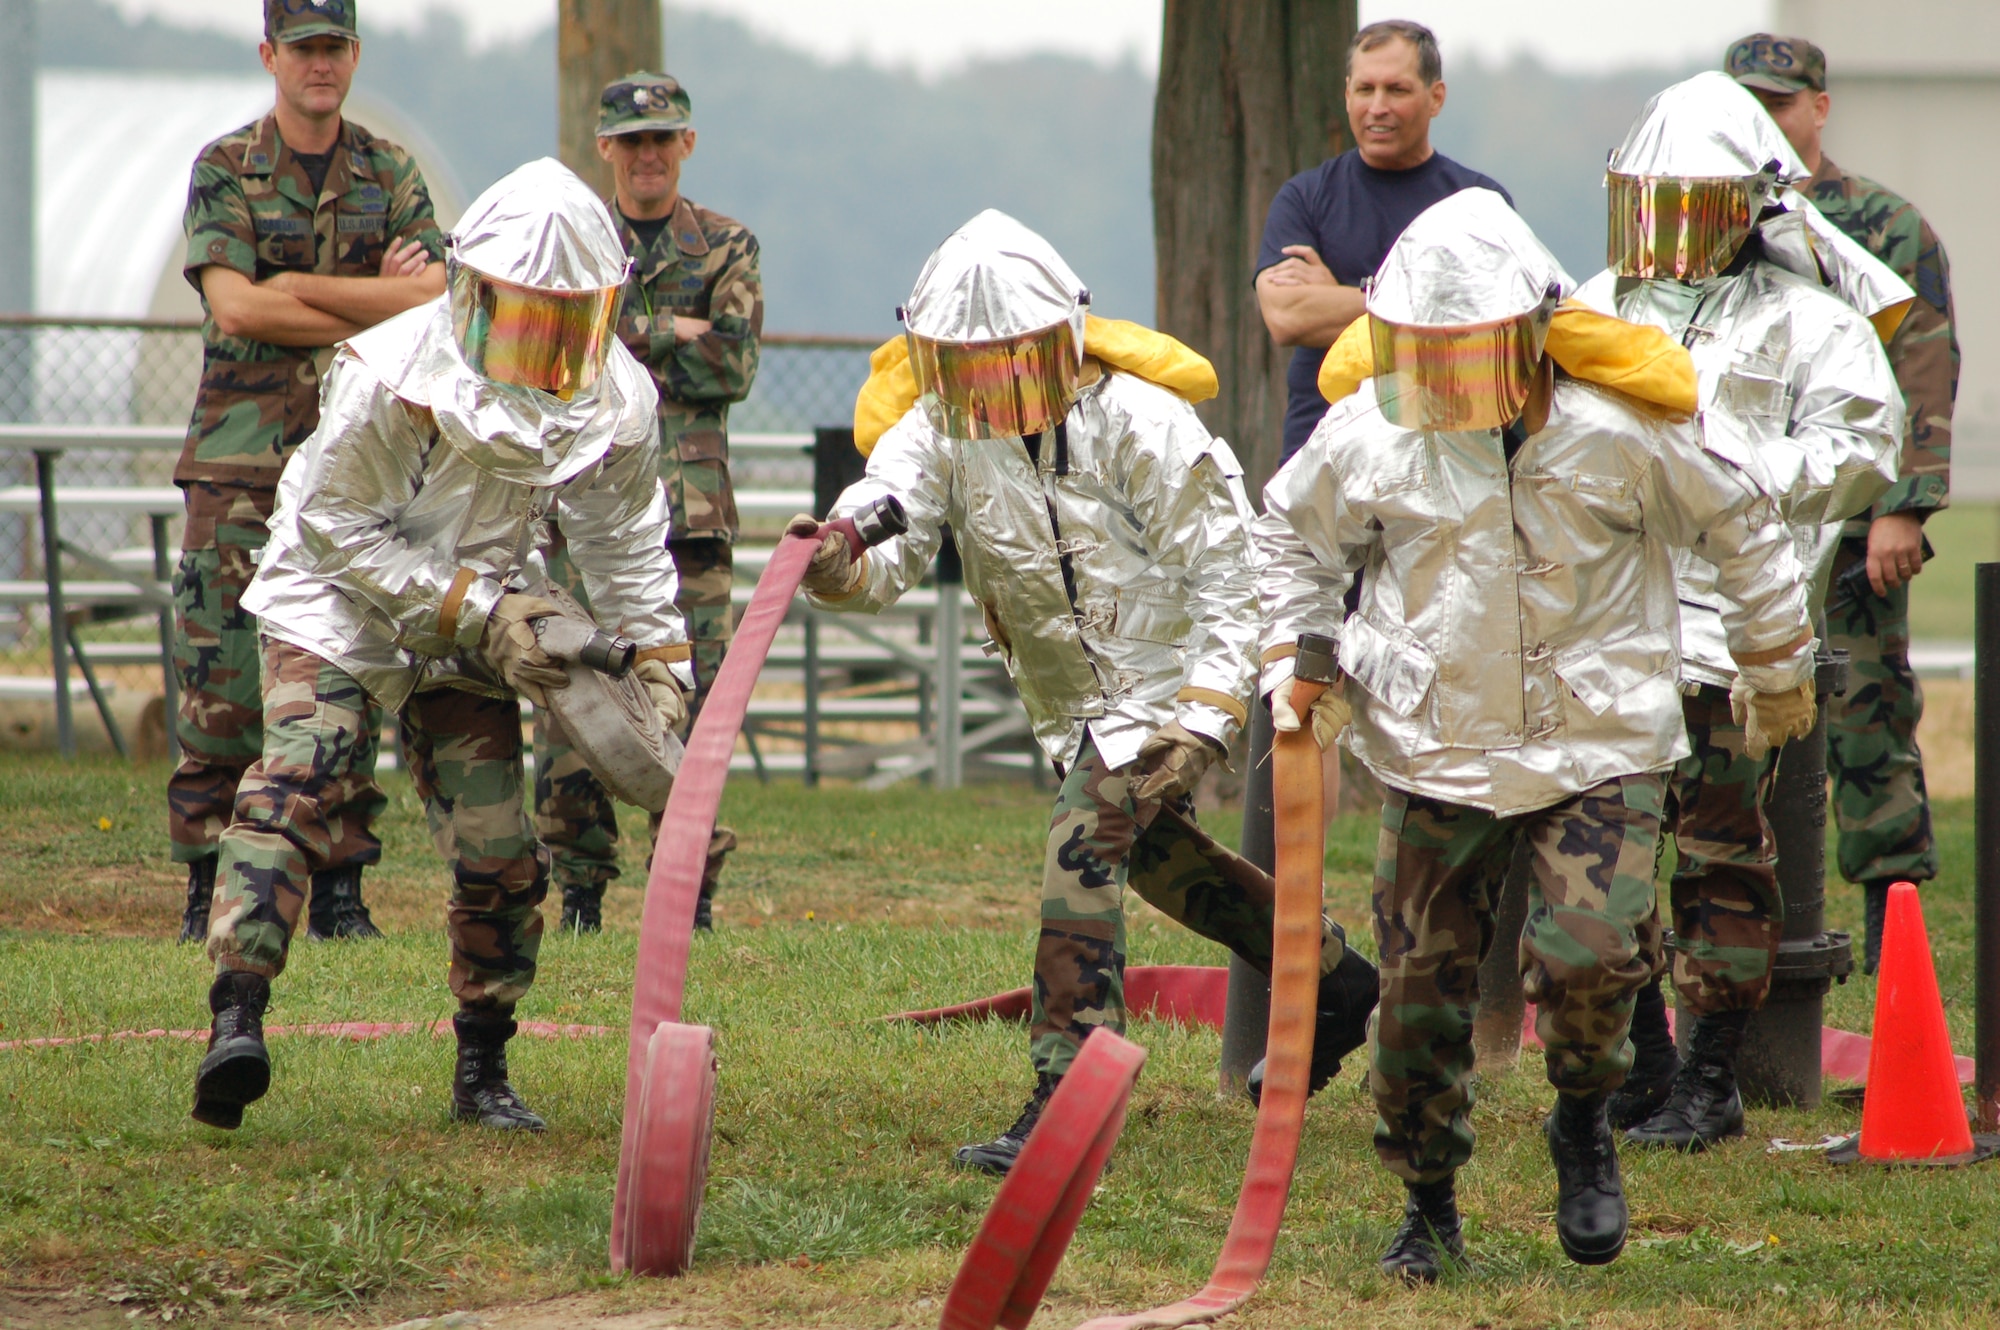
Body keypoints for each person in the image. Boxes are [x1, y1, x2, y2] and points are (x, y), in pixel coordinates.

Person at [1258, 188, 1815, 1278]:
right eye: (1425, 350)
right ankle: (1428, 1204)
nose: (1447, 375)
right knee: (1416, 1004)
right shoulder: (1373, 426)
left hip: (1595, 735)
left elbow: (1741, 524)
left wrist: (1774, 665)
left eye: (1466, 350)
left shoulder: (1621, 430)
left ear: (1526, 334)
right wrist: (1299, 654)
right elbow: (1289, 535)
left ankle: (1581, 1122)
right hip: (1434, 738)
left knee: (1590, 958)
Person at [806, 209, 1378, 1176]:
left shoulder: (1143, 421)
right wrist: (837, 553)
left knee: (1083, 852)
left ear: (1060, 340)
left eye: (1009, 361)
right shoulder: (941, 426)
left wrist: (1200, 726)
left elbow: (1234, 584)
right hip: (1068, 701)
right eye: (964, 365)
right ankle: (1332, 974)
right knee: (1154, 861)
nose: (988, 386)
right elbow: (889, 532)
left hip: (1163, 684)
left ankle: (1071, 1096)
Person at [187, 158, 693, 1134]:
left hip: (484, 611)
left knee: (499, 845)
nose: (542, 344)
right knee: (300, 775)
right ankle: (236, 1015)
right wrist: (473, 605)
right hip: (338, 594)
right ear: (474, 295)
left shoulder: (618, 401)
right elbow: (338, 526)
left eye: (565, 320)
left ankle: (483, 1066)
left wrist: (663, 670)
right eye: (522, 316)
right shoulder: (390, 372)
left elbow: (625, 546)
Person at [1574, 72, 1905, 1151]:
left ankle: (1709, 1080)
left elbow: (1862, 452)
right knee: (1596, 856)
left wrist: (1726, 468)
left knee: (1718, 855)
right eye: (1648, 201)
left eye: (1687, 202)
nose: (1663, 230)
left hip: (1732, 637)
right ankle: (1648, 1068)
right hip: (1600, 630)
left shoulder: (1812, 321)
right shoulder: (1591, 305)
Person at [171, 0, 446, 945]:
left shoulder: (390, 171)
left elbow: (438, 303)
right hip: (241, 461)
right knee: (219, 675)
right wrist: (376, 304)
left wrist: (297, 287)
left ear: (354, 56)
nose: (319, 64)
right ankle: (209, 879)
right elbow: (237, 310)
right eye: (303, 49)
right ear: (270, 56)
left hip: (353, 466)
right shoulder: (225, 168)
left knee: (350, 661)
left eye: (334, 48)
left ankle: (340, 886)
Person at [1728, 33, 1958, 976]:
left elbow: (1924, 363)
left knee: (1866, 716)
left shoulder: (1883, 223)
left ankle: (1886, 938)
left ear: (1819, 108)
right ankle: (1742, 932)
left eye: (1781, 102)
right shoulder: (1705, 215)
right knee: (1728, 724)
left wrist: (1904, 506)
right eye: (1748, 102)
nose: (1766, 119)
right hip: (1739, 520)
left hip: (1855, 517)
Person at [535, 72, 764, 935]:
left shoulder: (727, 246)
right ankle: (581, 894)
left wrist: (618, 338)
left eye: (663, 139)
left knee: (694, 712)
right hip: (584, 513)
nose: (648, 156)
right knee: (571, 704)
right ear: (606, 150)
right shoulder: (571, 246)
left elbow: (732, 369)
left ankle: (689, 897)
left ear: (688, 145)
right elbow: (557, 360)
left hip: (689, 523)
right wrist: (677, 331)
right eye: (633, 142)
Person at [1254, 19, 1510, 465]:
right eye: (1365, 89)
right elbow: (1286, 316)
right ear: (1347, 92)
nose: (1378, 106)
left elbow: (1489, 328)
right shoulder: (1305, 197)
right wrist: (1424, 309)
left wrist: (1336, 296)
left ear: (1436, 98)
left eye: (1397, 90)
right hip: (1321, 463)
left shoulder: (1479, 205)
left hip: (1447, 464)